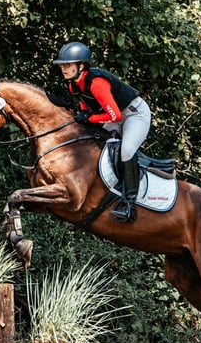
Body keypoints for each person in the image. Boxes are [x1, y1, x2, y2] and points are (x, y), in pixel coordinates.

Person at [53, 41, 152, 223]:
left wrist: (89, 119)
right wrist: (85, 116)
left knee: (127, 150)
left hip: (134, 114)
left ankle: (130, 206)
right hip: (115, 116)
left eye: (68, 65)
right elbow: (87, 106)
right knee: (91, 141)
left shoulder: (97, 83)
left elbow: (113, 115)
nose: (64, 69)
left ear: (81, 66)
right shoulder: (73, 85)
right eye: (62, 66)